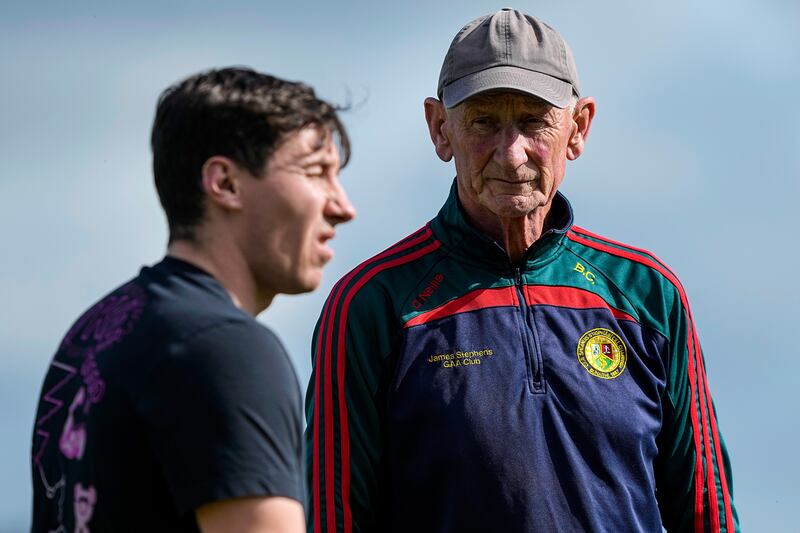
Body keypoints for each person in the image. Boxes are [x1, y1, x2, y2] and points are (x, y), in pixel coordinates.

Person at [306, 9, 738, 533]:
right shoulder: (371, 303)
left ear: (577, 128)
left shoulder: (649, 293)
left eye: (534, 122)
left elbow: (707, 513)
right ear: (440, 129)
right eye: (484, 122)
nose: (511, 156)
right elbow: (334, 517)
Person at [31, 67, 356, 533]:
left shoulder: (93, 335)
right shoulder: (228, 350)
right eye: (316, 173)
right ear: (224, 183)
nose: (343, 206)